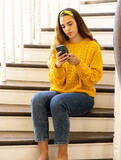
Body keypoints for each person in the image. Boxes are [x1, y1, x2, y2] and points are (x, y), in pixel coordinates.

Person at [31, 8, 103, 160]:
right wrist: (58, 65)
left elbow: (93, 79)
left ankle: (62, 154)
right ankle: (43, 154)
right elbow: (56, 82)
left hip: (83, 96)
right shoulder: (58, 46)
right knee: (37, 99)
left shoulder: (92, 46)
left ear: (78, 22)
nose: (67, 29)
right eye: (63, 26)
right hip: (61, 91)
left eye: (70, 24)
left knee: (57, 102)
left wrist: (79, 64)